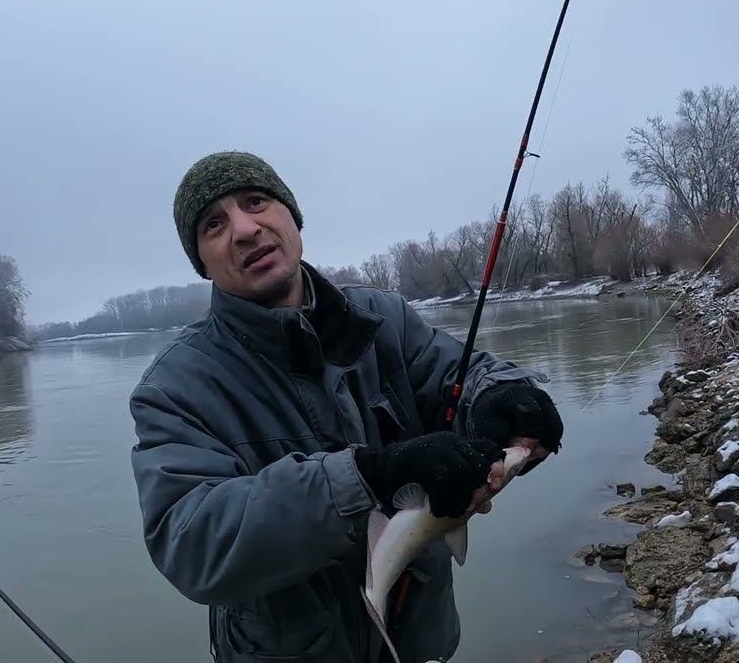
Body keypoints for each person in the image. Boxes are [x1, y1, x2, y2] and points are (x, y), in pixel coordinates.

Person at [129, 151, 564, 662]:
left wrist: (501, 396)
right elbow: (191, 543)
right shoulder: (176, 387)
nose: (245, 229)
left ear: (292, 216)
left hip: (419, 640)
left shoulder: (385, 319)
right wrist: (365, 477)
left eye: (256, 202)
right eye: (214, 224)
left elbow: (457, 374)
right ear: (202, 262)